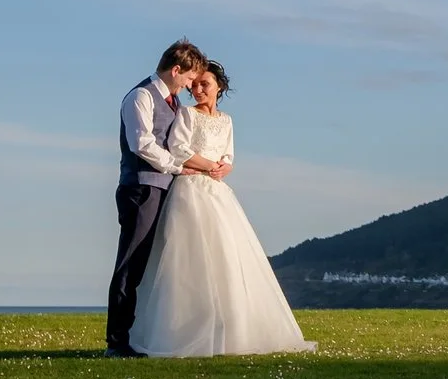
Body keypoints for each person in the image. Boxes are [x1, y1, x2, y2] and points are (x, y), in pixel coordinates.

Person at [130, 60, 317, 357]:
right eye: (196, 84)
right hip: (190, 190)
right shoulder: (186, 114)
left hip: (217, 192)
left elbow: (228, 153)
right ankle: (183, 331)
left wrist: (225, 166)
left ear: (220, 87)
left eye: (206, 84)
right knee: (188, 258)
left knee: (228, 255)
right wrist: (208, 165)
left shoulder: (227, 120)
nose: (199, 89)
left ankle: (230, 329)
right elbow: (179, 149)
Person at [106, 39, 225, 357]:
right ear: (176, 70)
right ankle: (116, 342)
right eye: (188, 79)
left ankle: (140, 334)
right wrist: (178, 166)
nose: (190, 86)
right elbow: (141, 144)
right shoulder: (141, 97)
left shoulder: (172, 103)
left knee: (150, 265)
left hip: (164, 189)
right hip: (141, 188)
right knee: (131, 264)